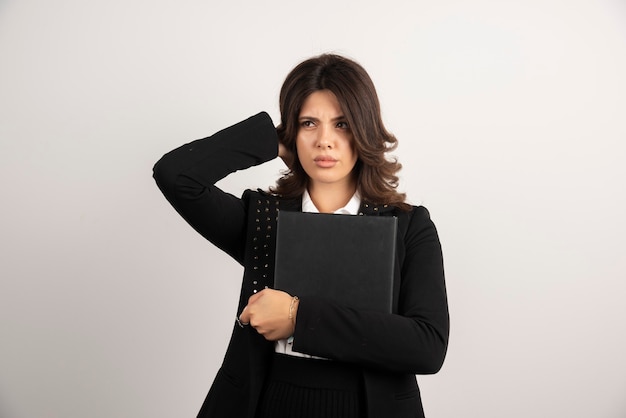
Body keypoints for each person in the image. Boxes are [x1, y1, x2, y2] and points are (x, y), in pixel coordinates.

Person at [153, 53, 449, 418]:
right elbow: (176, 175)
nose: (324, 141)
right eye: (309, 123)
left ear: (365, 130)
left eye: (342, 124)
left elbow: (427, 346)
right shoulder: (265, 221)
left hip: (368, 406)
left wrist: (298, 317)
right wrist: (271, 141)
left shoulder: (408, 226)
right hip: (268, 403)